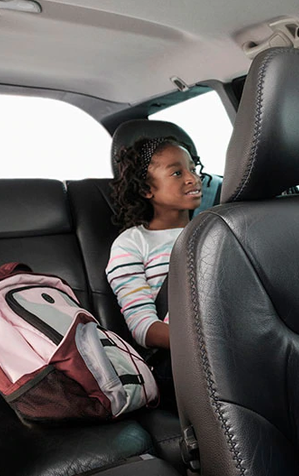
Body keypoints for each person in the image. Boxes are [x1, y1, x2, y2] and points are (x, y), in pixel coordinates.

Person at [107, 136, 203, 406]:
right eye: (177, 172)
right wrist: (206, 343)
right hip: (178, 358)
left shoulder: (215, 229)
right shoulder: (132, 244)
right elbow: (143, 326)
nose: (192, 178)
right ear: (147, 189)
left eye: (193, 169)